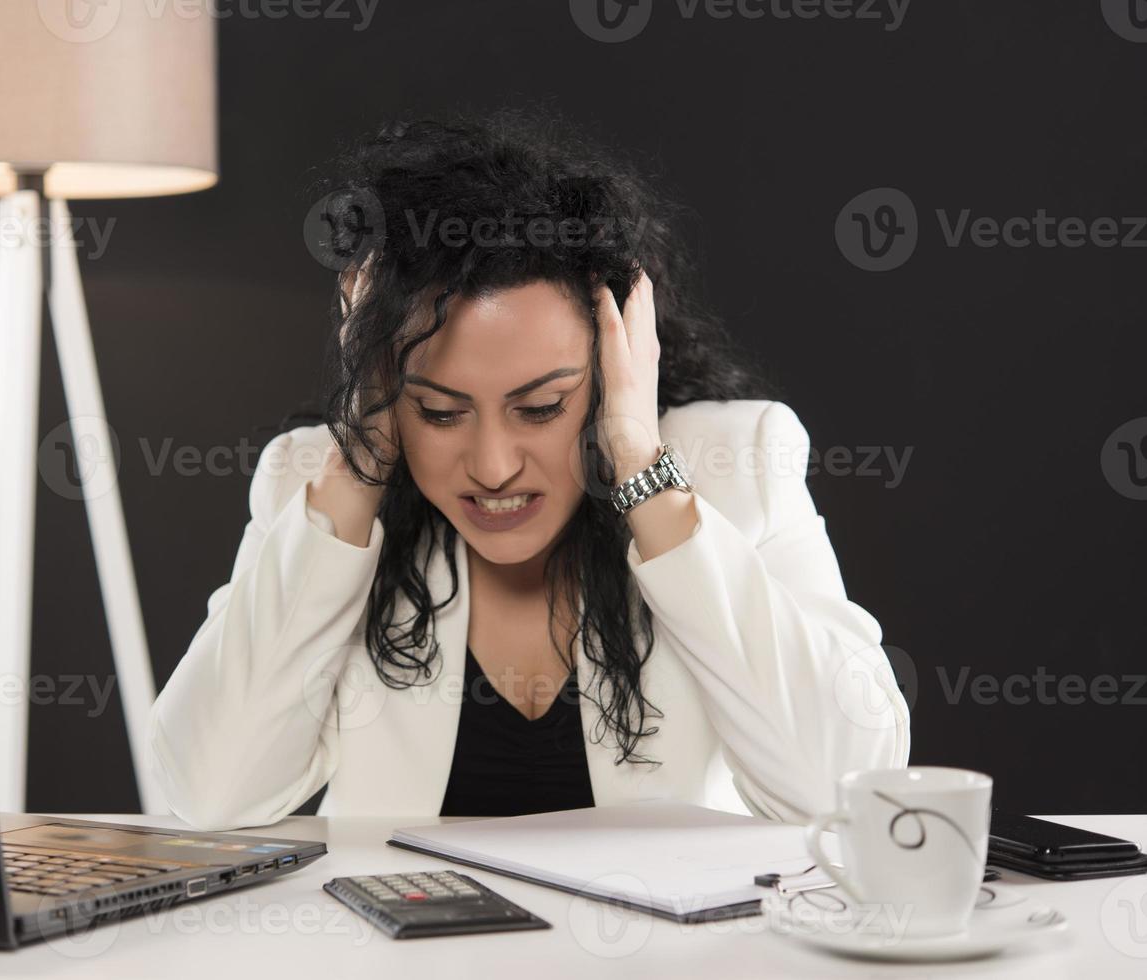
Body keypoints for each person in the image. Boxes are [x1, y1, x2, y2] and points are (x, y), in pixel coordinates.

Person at [147, 106, 910, 831]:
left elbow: (847, 787)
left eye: (540, 407)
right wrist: (363, 466)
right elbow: (210, 792)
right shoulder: (314, 484)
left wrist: (640, 467)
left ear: (615, 369)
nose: (493, 466)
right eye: (440, 412)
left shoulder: (737, 465)